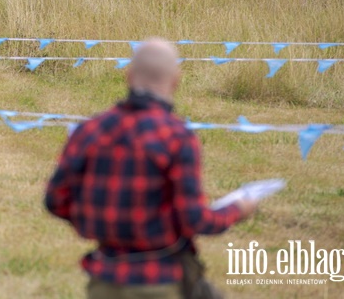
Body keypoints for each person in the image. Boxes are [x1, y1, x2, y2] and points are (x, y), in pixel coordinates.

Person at [45, 38, 258, 298]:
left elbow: (55, 200)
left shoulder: (89, 130)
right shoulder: (177, 136)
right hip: (159, 282)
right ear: (176, 80)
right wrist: (238, 209)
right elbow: (195, 219)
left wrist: (96, 223)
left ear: (128, 75)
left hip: (103, 279)